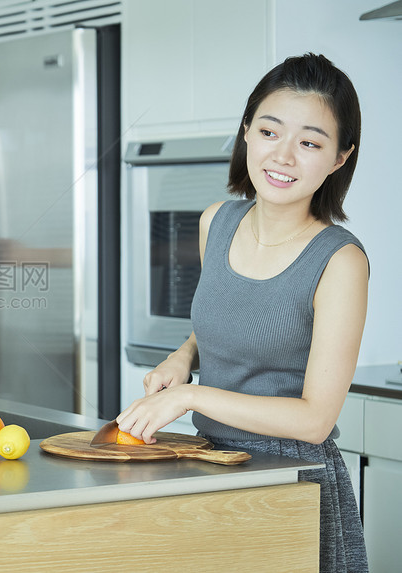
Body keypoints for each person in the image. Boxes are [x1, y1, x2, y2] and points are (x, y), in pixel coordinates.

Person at [115, 53, 369, 572]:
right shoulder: (218, 222)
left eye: (310, 143)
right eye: (270, 131)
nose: (284, 157)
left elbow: (316, 419)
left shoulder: (340, 261)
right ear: (247, 132)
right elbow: (224, 315)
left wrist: (190, 395)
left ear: (339, 158)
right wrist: (184, 356)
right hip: (209, 463)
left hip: (292, 482)